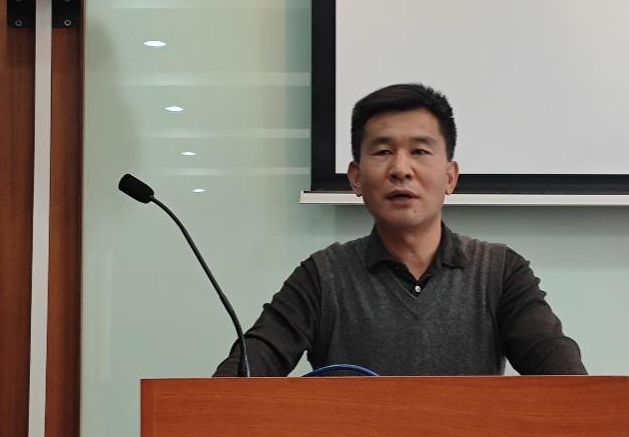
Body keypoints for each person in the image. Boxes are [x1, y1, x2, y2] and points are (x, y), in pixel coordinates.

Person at [214, 83, 585, 377]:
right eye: (382, 152)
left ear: (450, 177)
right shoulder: (322, 277)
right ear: (356, 178)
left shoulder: (500, 272)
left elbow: (560, 370)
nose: (401, 169)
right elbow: (247, 369)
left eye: (420, 151)